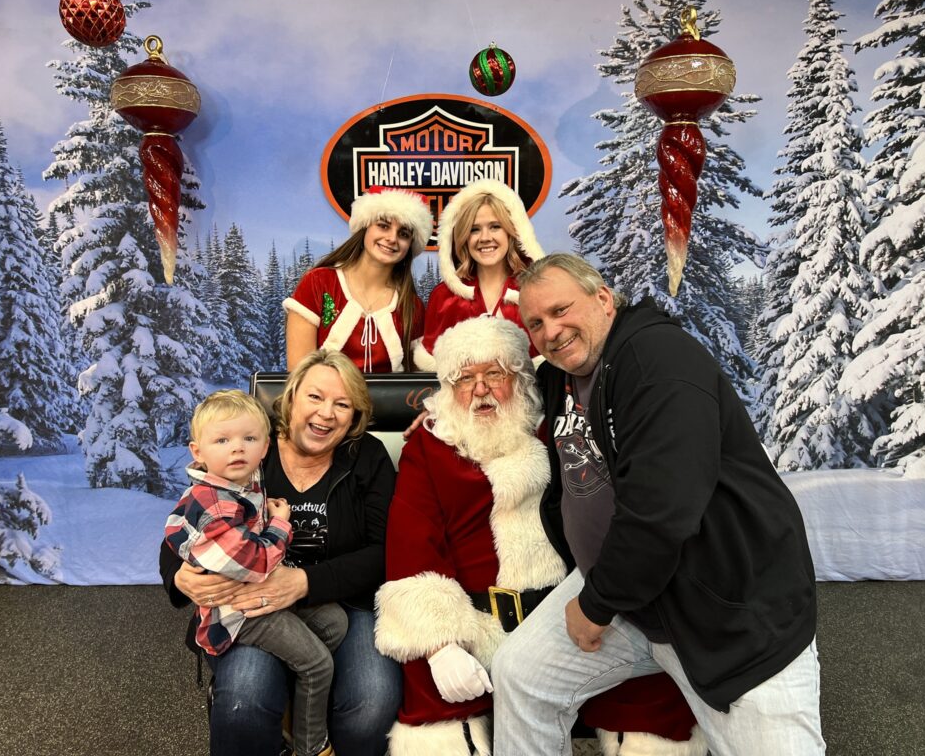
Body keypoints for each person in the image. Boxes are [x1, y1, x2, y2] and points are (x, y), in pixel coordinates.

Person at [491, 253, 825, 756]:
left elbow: (660, 511)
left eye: (561, 310)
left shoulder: (658, 361)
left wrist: (596, 603)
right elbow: (501, 398)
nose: (551, 331)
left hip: (724, 604)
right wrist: (435, 412)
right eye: (535, 323)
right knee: (520, 673)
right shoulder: (563, 376)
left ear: (604, 299)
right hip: (627, 590)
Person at [375, 315, 705, 756]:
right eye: (464, 378)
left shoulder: (560, 432)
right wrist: (440, 643)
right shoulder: (430, 448)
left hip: (568, 613)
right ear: (446, 391)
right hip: (475, 620)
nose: (480, 390)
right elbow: (412, 545)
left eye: (495, 374)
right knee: (439, 716)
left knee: (650, 704)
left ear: (521, 378)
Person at [159, 350, 402, 756]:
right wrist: (178, 577)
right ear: (291, 398)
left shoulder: (368, 457)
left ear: (355, 416)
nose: (326, 414)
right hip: (251, 603)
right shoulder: (251, 444)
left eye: (342, 404)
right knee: (246, 702)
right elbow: (190, 517)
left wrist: (303, 582)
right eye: (315, 397)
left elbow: (385, 551)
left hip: (346, 597)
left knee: (371, 703)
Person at [164, 389, 348, 756]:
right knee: (317, 663)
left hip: (269, 594)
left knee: (335, 622)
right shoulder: (210, 503)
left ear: (265, 446)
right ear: (197, 452)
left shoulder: (244, 480)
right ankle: (312, 746)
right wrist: (281, 523)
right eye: (222, 440)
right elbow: (256, 563)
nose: (237, 449)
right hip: (239, 611)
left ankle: (289, 690)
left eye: (249, 439)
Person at [284, 186, 433, 373]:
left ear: (410, 245)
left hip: (389, 404)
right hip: (324, 401)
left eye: (403, 234)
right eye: (383, 226)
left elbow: (414, 386)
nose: (392, 238)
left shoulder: (411, 306)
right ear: (365, 227)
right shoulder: (318, 283)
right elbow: (298, 375)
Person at [413, 178, 544, 371]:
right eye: (474, 229)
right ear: (463, 237)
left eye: (495, 226)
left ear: (511, 231)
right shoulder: (444, 297)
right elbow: (431, 375)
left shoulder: (536, 291)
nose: (485, 238)